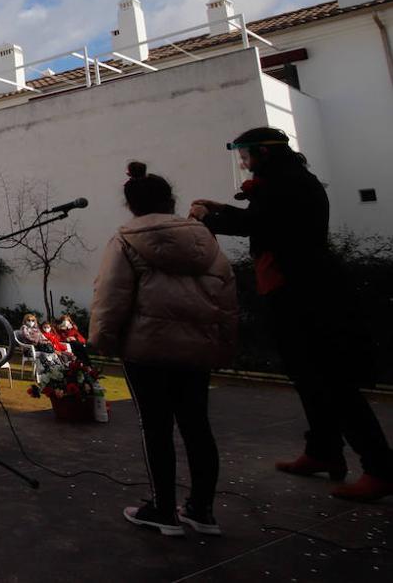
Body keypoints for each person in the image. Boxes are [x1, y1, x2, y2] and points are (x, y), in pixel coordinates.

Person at [192, 128, 392, 502]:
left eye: (247, 156)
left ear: (265, 154)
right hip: (294, 291)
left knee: (332, 381)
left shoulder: (286, 186)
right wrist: (220, 210)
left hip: (307, 294)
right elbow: (263, 217)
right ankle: (322, 450)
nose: (243, 163)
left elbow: (260, 223)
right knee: (309, 378)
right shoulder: (287, 183)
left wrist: (211, 217)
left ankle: (379, 467)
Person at [91, 160, 238, 536]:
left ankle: (162, 508)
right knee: (197, 425)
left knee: (156, 427)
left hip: (148, 349)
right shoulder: (205, 238)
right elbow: (225, 292)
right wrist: (223, 342)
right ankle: (202, 510)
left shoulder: (126, 238)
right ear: (171, 200)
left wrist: (102, 341)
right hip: (197, 351)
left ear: (131, 204)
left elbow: (112, 295)